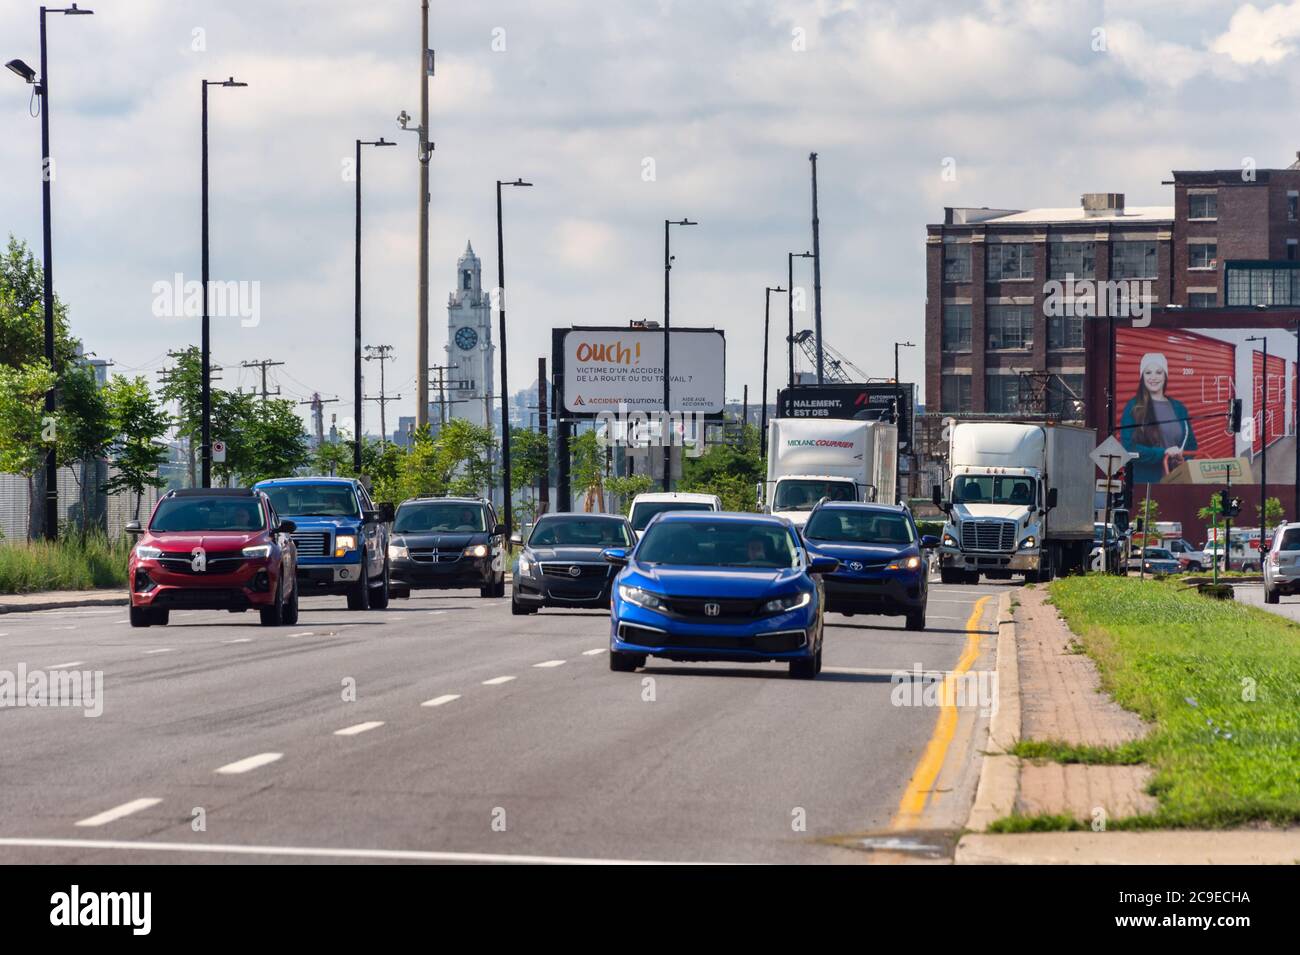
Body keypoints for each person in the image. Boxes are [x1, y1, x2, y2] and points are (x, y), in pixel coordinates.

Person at [1120, 352, 1198, 484]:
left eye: (1158, 372)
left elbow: (1191, 445)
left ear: (1165, 375)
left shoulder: (1179, 408)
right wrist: (1163, 453)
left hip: (1176, 481)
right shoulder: (1133, 407)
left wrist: (1183, 459)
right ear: (1142, 377)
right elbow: (1128, 448)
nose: (1153, 377)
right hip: (1146, 483)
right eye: (1148, 372)